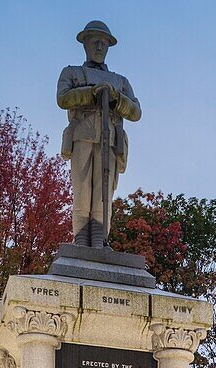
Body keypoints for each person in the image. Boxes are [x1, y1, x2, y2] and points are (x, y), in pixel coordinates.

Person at [56, 20, 142, 248]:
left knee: (104, 191)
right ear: (85, 43)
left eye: (104, 43)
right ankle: (81, 235)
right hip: (82, 134)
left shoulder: (121, 81)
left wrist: (117, 99)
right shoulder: (72, 73)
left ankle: (99, 235)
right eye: (95, 41)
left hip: (110, 138)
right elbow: (63, 98)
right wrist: (90, 94)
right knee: (82, 188)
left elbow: (135, 112)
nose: (99, 47)